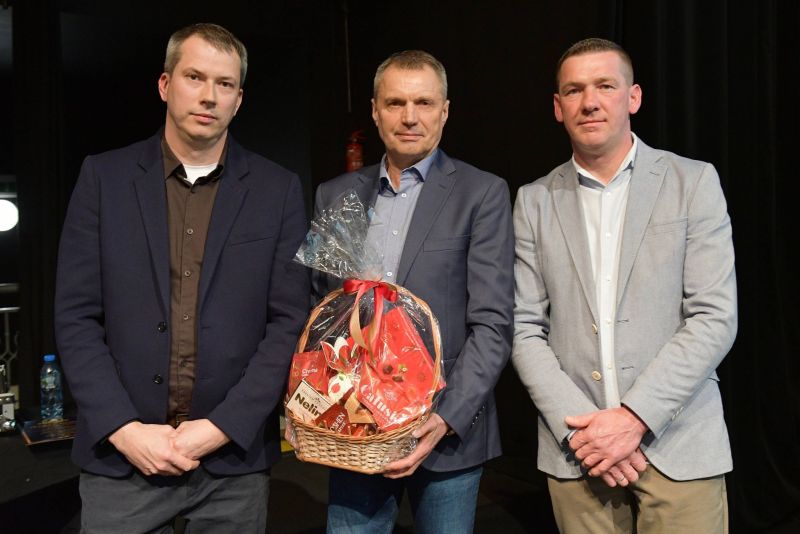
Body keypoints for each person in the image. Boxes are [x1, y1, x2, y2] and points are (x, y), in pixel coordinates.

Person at [54, 23, 309, 532]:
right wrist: (124, 429)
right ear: (165, 85)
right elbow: (75, 316)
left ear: (239, 99)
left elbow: (289, 323)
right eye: (195, 77)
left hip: (231, 464)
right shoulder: (103, 179)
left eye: (225, 83)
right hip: (121, 460)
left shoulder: (277, 189)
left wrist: (221, 427)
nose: (209, 96)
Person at [511, 37, 737, 532]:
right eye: (574, 90)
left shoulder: (693, 182)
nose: (589, 102)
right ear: (558, 107)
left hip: (678, 443)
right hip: (578, 452)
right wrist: (584, 433)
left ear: (633, 97)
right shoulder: (533, 201)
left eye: (605, 86)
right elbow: (523, 328)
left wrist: (634, 418)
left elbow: (714, 317)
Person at [312, 50, 514, 533]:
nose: (409, 117)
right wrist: (318, 405)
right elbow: (319, 311)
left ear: (444, 111)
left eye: (423, 102)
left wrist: (446, 418)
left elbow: (493, 324)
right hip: (355, 429)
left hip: (444, 431)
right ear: (375, 110)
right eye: (395, 103)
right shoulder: (334, 194)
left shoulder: (482, 194)